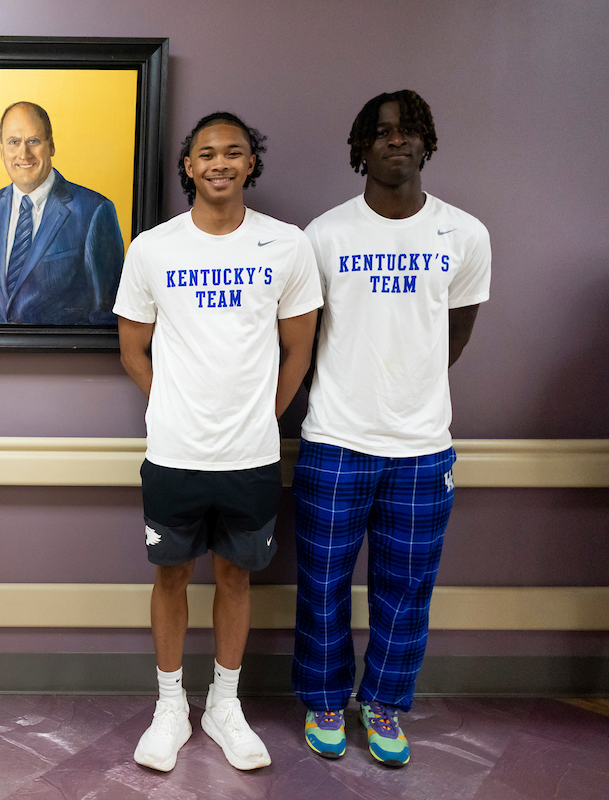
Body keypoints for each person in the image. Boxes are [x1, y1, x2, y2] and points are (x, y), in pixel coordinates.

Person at [116, 112, 322, 773]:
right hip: (174, 454)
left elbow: (299, 350)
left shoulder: (287, 245)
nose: (220, 163)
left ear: (250, 163)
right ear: (189, 166)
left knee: (235, 576)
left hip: (251, 457)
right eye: (206, 153)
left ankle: (224, 706)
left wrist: (262, 417)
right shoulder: (154, 248)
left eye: (234, 152)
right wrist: (172, 406)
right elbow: (131, 348)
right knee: (170, 574)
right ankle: (170, 706)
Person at [294, 90, 490, 767]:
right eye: (381, 132)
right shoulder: (324, 235)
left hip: (422, 447)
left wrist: (407, 390)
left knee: (406, 590)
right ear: (362, 148)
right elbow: (306, 338)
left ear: (426, 141)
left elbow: (452, 337)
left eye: (408, 130)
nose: (396, 140)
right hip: (335, 439)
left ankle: (382, 705)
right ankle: (325, 700)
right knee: (322, 584)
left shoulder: (464, 235)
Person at [0, 101, 125, 324]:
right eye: (14, 142)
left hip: (62, 348)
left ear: (51, 146)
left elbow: (107, 313)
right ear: (2, 151)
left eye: (33, 141)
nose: (24, 154)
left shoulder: (94, 211)